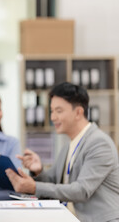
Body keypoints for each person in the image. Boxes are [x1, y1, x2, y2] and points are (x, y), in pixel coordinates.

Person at [6, 82, 119, 222]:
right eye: (52, 111)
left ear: (78, 112)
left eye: (58, 111)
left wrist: (34, 187)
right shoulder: (69, 145)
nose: (53, 117)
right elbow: (54, 182)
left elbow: (81, 191)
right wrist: (39, 170)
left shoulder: (99, 144)